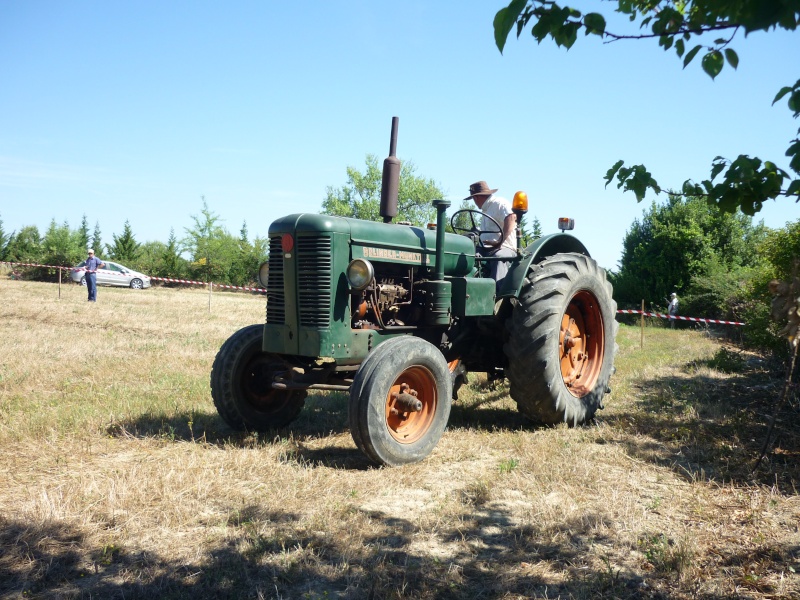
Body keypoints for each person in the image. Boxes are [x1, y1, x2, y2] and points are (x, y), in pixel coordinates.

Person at [464, 181, 517, 288]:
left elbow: (511, 218)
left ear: (477, 197)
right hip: (486, 249)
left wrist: (499, 242)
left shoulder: (499, 203)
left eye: (473, 199)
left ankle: (497, 297)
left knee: (499, 258)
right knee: (467, 254)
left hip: (504, 248)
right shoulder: (486, 209)